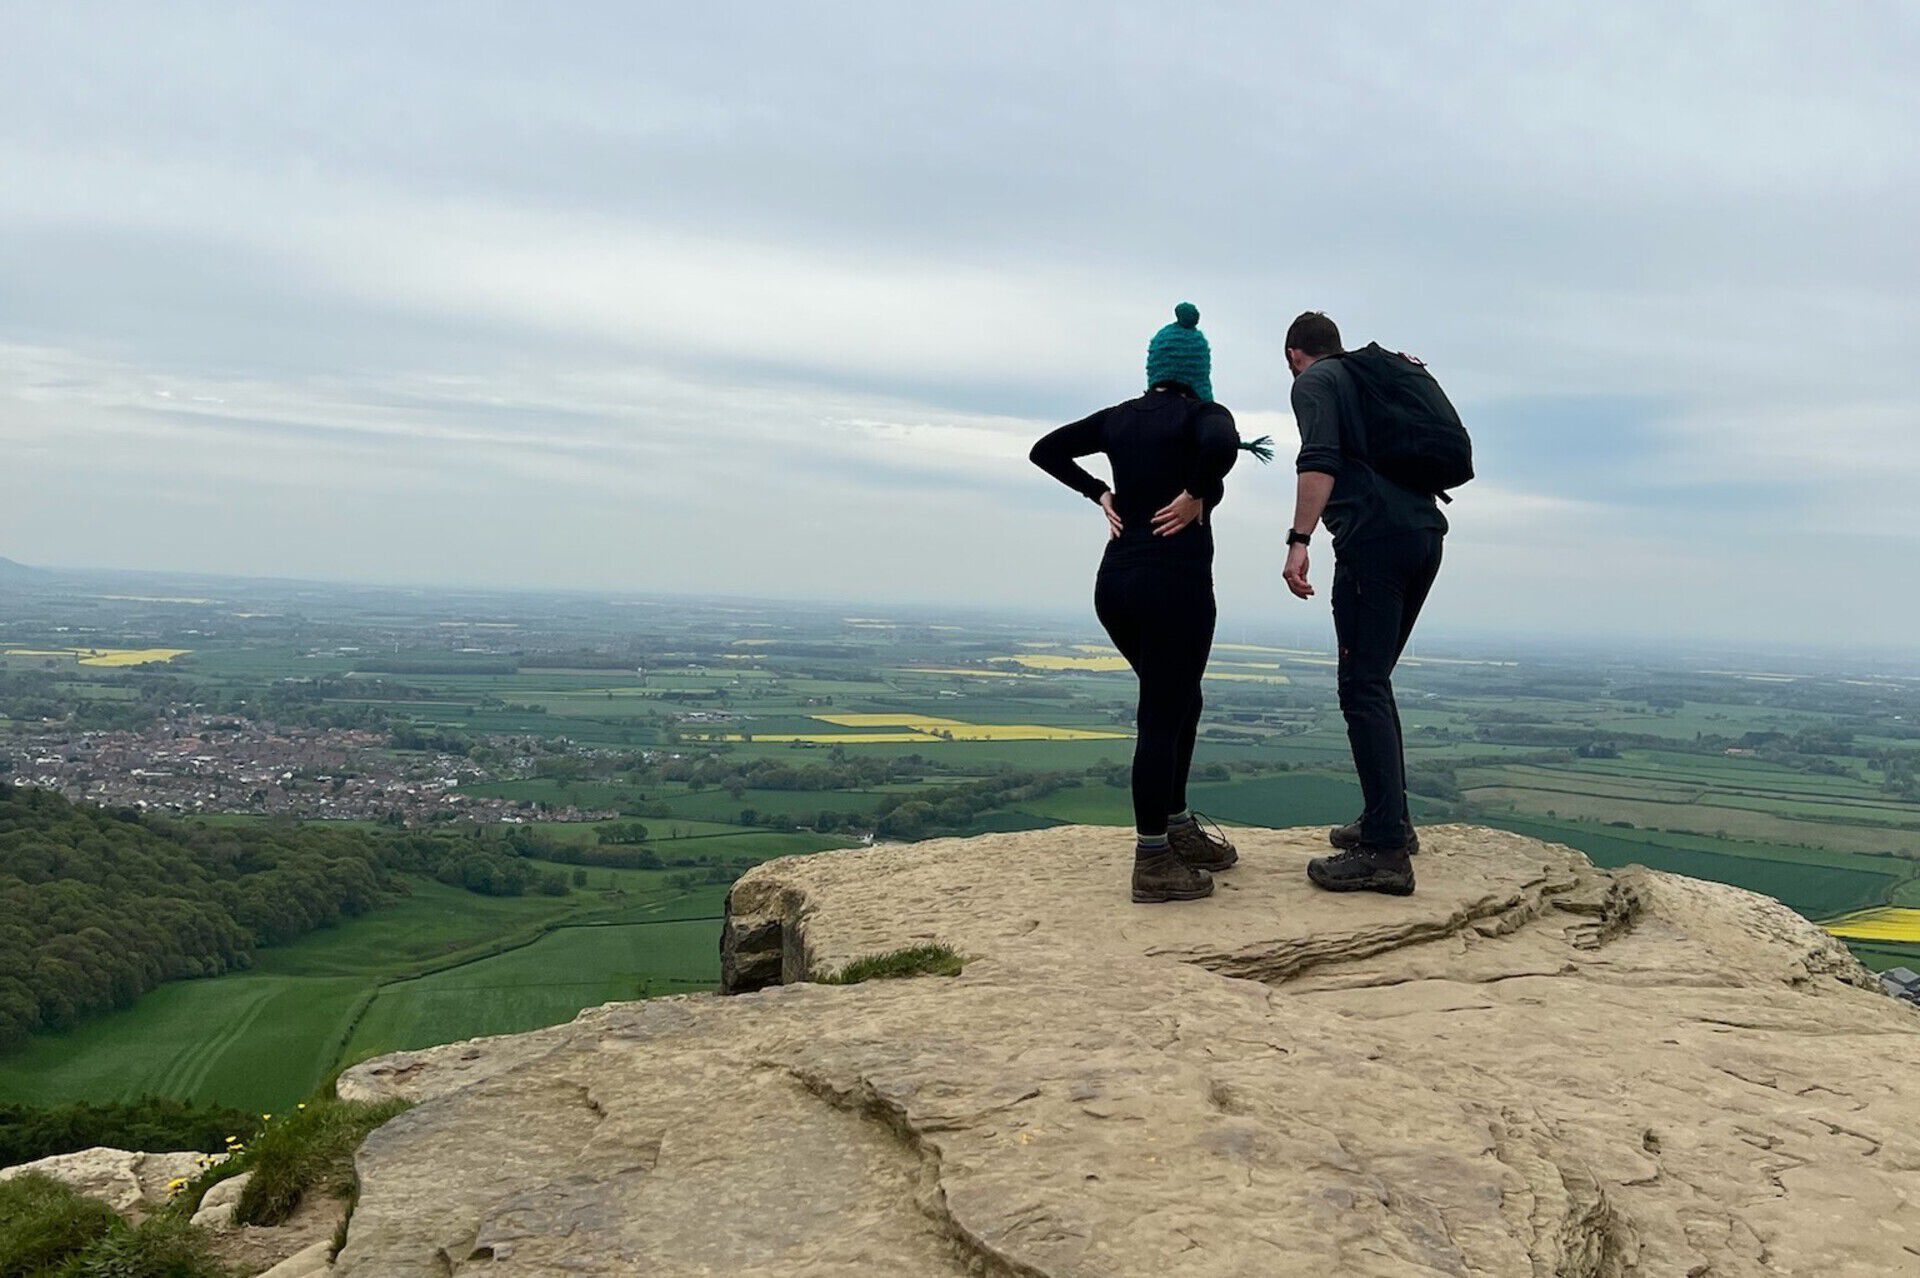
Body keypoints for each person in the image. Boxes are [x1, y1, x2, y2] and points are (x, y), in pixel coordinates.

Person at [1030, 303, 1246, 903]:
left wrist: (1100, 491)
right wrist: (1198, 492)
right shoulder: (1204, 414)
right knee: (1162, 711)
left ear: (1153, 367)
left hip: (1117, 587)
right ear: (1199, 370)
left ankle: (1174, 826)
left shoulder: (1120, 419)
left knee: (1181, 700)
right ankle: (1153, 859)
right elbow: (1224, 444)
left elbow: (1045, 449)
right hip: (1174, 586)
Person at [1281, 311, 1447, 896]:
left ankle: (1385, 853)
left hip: (1374, 542)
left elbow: (1319, 457)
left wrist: (1299, 541)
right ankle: (1390, 823)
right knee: (1374, 680)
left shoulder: (1317, 381)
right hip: (1424, 536)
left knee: (1361, 686)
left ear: (1296, 355)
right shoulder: (1370, 382)